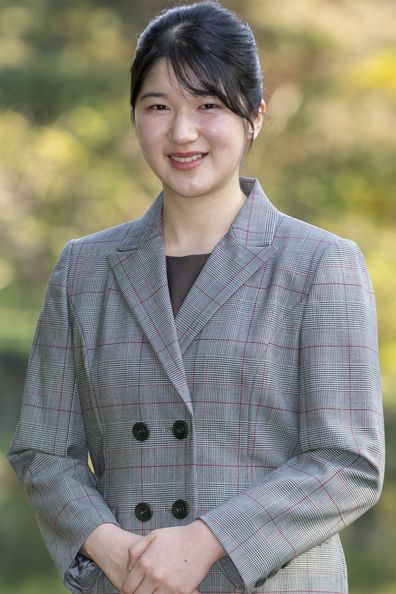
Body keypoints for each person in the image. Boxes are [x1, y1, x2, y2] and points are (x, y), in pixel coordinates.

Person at [8, 2, 385, 594]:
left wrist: (207, 540)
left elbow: (348, 464)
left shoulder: (320, 265)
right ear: (135, 117)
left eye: (208, 105)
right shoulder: (84, 269)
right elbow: (44, 453)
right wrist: (110, 548)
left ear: (255, 116)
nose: (182, 132)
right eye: (158, 106)